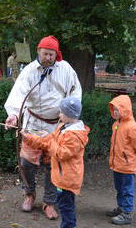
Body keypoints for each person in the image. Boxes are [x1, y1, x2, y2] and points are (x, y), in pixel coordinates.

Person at [4, 35, 82, 220]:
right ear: (39, 52)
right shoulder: (30, 71)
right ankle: (29, 194)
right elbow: (18, 93)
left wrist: (70, 116)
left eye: (51, 54)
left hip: (56, 126)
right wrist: (14, 115)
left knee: (52, 165)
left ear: (57, 54)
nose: (48, 57)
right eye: (45, 53)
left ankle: (49, 202)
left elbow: (75, 93)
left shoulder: (66, 69)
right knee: (26, 164)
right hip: (33, 123)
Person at [21, 96, 89, 228]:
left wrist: (51, 141)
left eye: (61, 112)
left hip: (67, 180)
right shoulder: (63, 127)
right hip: (61, 178)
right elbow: (48, 140)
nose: (59, 114)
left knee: (66, 208)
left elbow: (61, 153)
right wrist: (29, 138)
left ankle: (68, 226)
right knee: (64, 205)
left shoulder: (74, 136)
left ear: (69, 115)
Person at [106, 95, 136, 225]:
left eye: (118, 109)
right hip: (117, 164)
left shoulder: (132, 127)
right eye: (114, 109)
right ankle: (121, 208)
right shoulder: (116, 124)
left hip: (128, 166)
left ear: (126, 109)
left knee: (127, 190)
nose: (115, 112)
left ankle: (127, 214)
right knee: (119, 188)